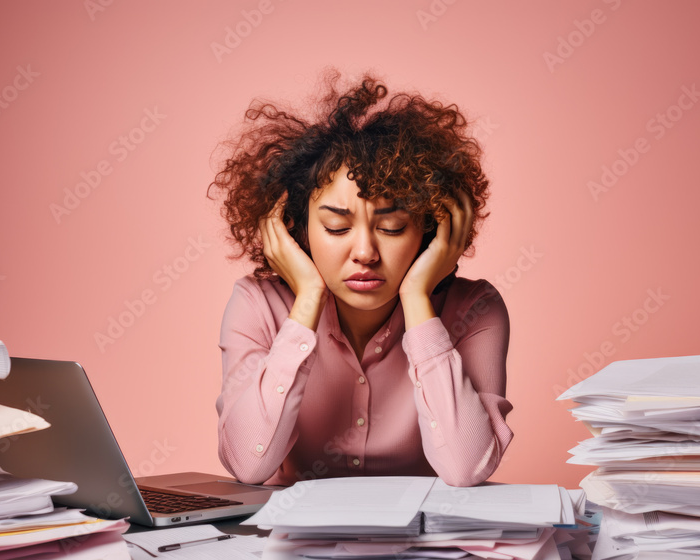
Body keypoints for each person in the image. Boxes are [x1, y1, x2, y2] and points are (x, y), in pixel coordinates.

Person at [208, 70, 512, 487]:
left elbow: (466, 467)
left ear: (430, 227)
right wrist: (308, 301)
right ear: (296, 228)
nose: (366, 253)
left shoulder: (476, 309)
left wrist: (418, 300)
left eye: (392, 227)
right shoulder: (257, 304)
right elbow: (248, 464)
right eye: (336, 228)